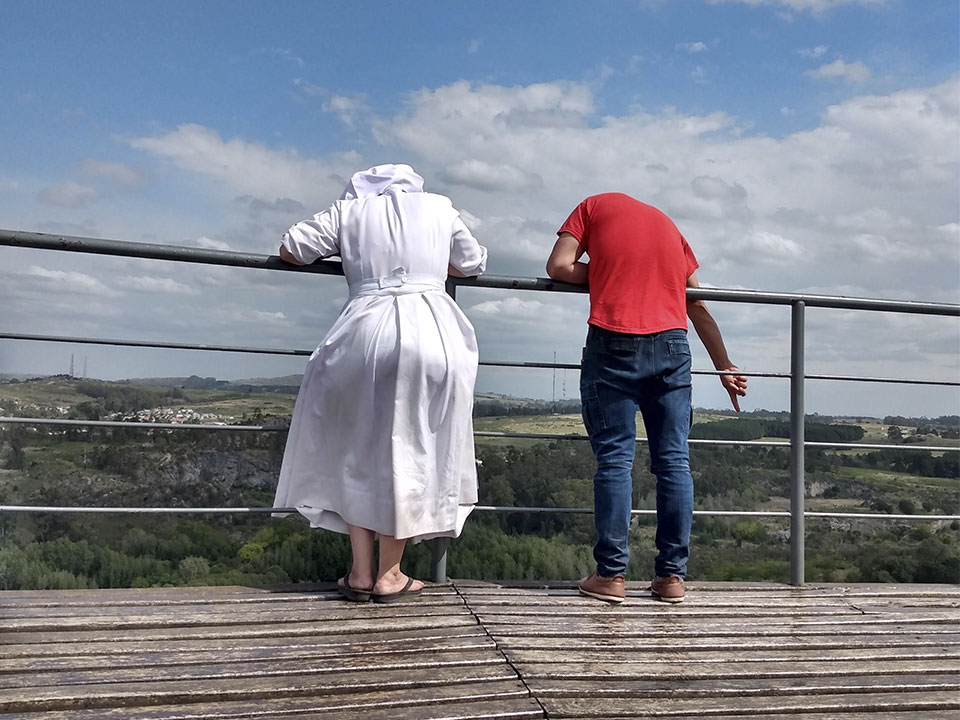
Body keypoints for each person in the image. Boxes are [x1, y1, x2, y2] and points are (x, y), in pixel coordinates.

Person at [273, 164, 487, 603]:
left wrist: (354, 254)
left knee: (356, 446)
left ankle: (359, 572)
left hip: (363, 330)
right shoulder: (440, 207)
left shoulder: (349, 210)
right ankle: (391, 573)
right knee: (416, 447)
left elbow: (292, 248)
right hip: (433, 330)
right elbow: (471, 262)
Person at [546, 192, 747, 604]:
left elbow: (559, 266)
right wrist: (725, 366)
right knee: (674, 461)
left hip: (615, 340)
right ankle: (671, 578)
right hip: (672, 346)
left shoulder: (592, 207)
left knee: (616, 459)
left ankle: (611, 576)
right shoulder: (671, 228)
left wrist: (607, 271)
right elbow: (697, 304)